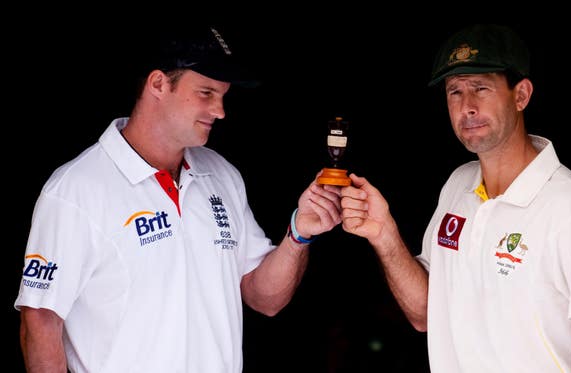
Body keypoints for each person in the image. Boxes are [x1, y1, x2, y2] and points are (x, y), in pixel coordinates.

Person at [15, 25, 342, 372]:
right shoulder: (76, 190)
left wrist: (300, 233)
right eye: (206, 93)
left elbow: (265, 299)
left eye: (223, 96)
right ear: (158, 84)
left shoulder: (222, 175)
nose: (220, 110)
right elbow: (41, 320)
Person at [340, 23, 571, 372]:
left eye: (481, 88)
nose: (468, 107)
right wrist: (384, 234)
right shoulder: (457, 186)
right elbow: (425, 313)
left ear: (521, 95)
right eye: (455, 92)